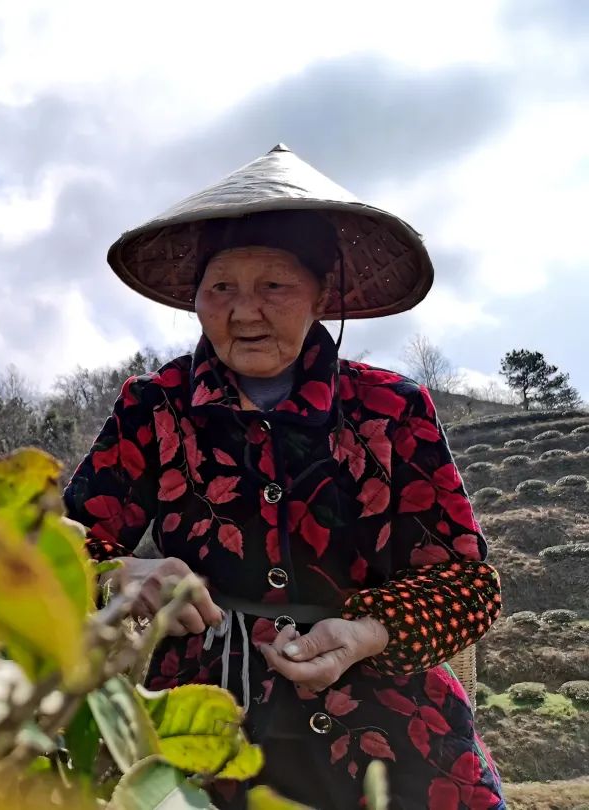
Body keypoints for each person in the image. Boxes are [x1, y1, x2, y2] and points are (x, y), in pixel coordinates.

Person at [63, 145, 505, 809]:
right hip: (200, 723)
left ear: (320, 296)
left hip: (392, 726)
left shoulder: (392, 409)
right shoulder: (153, 406)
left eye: (274, 287)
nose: (244, 313)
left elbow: (468, 583)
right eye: (221, 290)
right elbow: (60, 550)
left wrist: (367, 631)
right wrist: (119, 576)